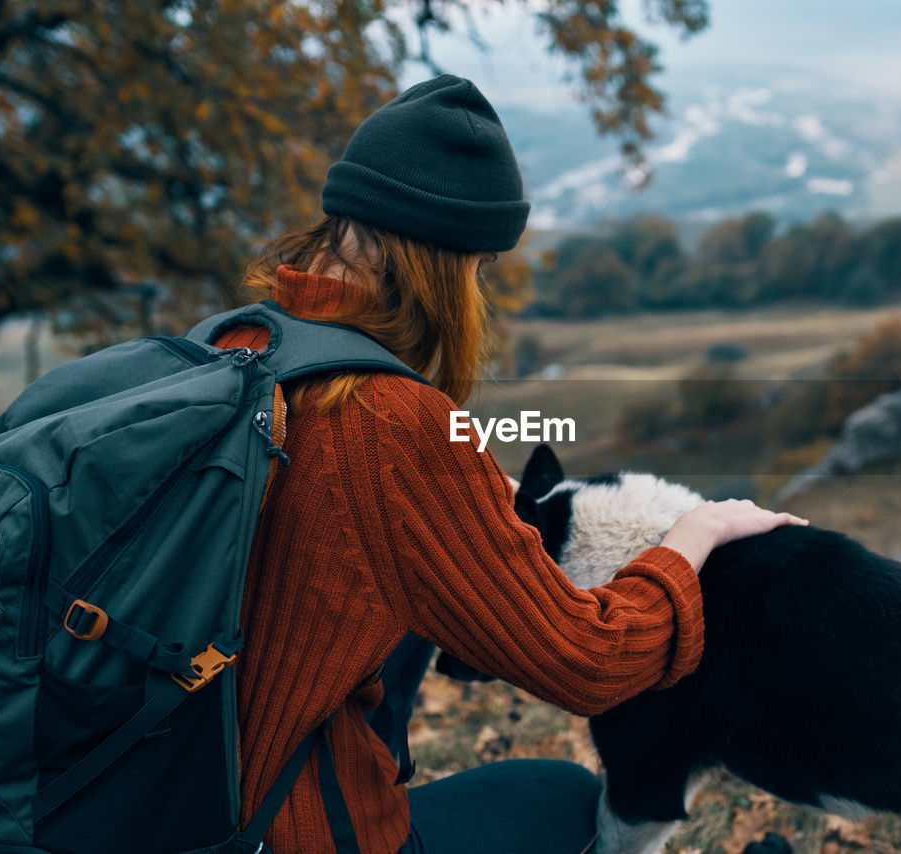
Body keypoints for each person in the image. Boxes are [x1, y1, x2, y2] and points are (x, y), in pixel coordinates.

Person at [222, 74, 807, 854]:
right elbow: (588, 663)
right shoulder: (394, 426)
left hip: (160, 808)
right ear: (452, 265)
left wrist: (465, 500)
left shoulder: (235, 346)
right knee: (562, 797)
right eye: (481, 268)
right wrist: (694, 536)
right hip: (290, 835)